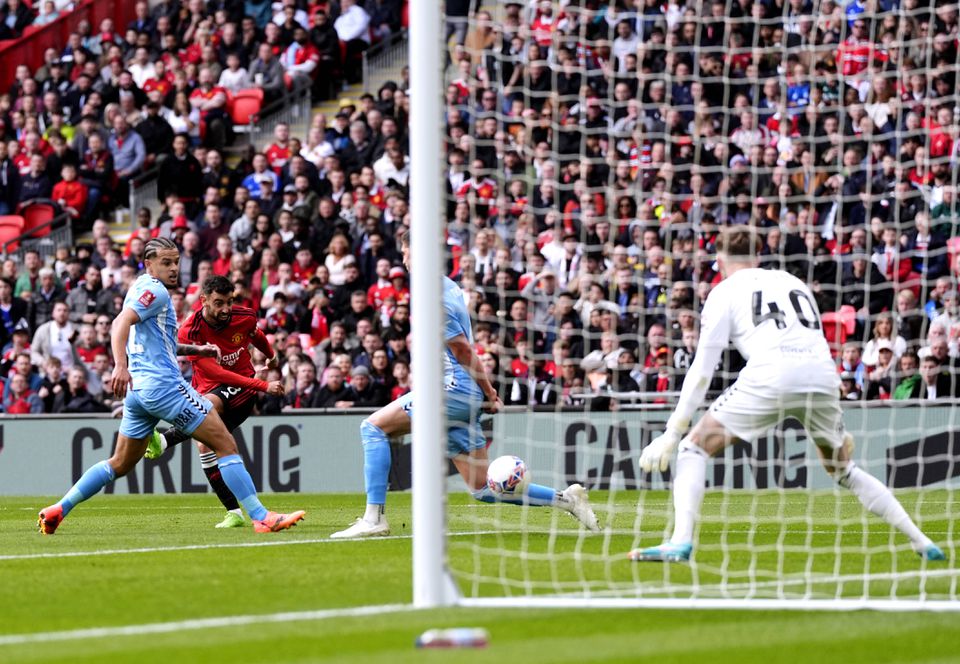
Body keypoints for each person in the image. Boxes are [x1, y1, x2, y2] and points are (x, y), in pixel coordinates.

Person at [631, 228, 943, 562]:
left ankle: (680, 541)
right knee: (842, 469)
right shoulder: (793, 282)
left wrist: (672, 432)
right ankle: (921, 539)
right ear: (759, 255)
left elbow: (703, 370)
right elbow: (817, 339)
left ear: (720, 260)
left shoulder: (724, 292)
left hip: (772, 373)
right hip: (822, 375)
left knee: (693, 447)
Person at [331, 235, 600, 538]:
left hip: (452, 389)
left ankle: (373, 518)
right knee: (483, 488)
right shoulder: (447, 285)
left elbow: (462, 350)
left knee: (373, 428)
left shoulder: (432, 295)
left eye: (406, 252)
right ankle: (567, 499)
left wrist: (489, 392)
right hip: (463, 391)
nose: (404, 259)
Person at [38, 238, 304, 535]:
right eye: (166, 262)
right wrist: (119, 365)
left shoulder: (137, 287)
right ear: (148, 264)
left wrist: (198, 351)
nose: (173, 268)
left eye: (176, 262)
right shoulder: (156, 291)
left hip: (138, 394)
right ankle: (262, 517)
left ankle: (59, 508)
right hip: (163, 387)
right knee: (224, 444)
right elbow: (119, 324)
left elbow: (157, 342)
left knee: (119, 463)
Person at [143, 275, 286, 528]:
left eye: (229, 302)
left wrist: (271, 356)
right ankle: (235, 512)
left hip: (242, 386)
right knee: (205, 448)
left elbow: (255, 334)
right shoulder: (191, 330)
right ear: (204, 301)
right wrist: (265, 385)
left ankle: (165, 440)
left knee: (208, 406)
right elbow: (216, 373)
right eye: (219, 303)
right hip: (212, 385)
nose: (226, 309)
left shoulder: (245, 315)